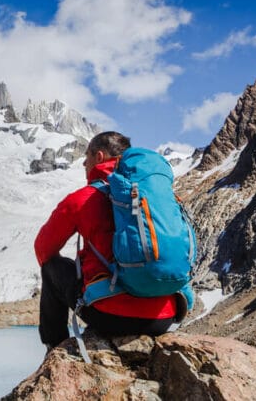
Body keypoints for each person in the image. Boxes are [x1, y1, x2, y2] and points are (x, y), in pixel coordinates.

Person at [34, 131, 178, 348]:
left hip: (111, 316)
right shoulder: (155, 195)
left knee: (52, 267)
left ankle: (56, 347)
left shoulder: (83, 199)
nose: (83, 163)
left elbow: (43, 250)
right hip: (164, 316)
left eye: (87, 156)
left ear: (99, 157)